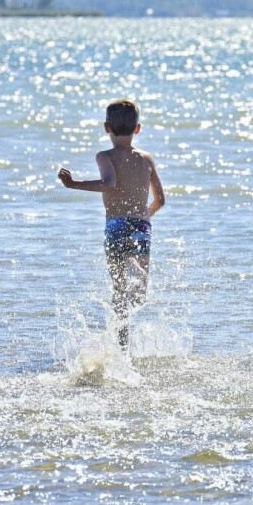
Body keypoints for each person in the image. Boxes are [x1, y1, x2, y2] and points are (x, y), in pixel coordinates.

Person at [58, 99, 166, 348]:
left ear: (107, 127)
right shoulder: (146, 159)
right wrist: (145, 216)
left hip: (116, 226)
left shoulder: (105, 156)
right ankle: (136, 269)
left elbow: (110, 184)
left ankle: (123, 347)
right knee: (138, 295)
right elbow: (160, 200)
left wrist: (74, 184)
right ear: (137, 129)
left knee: (119, 293)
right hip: (141, 228)